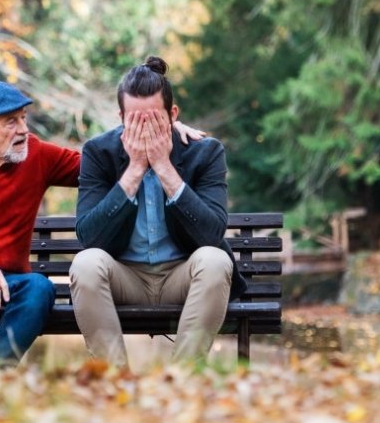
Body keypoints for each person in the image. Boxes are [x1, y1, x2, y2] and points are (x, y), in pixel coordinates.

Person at [0, 77, 204, 369]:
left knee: (40, 288)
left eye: (23, 118)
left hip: (7, 284)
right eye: (11, 122)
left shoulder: (36, 155)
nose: (23, 129)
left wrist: (159, 128)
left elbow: (102, 164)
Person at [70, 56, 247, 368]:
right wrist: (134, 169)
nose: (145, 130)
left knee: (216, 259)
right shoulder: (99, 153)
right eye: (135, 122)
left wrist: (164, 168)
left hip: (182, 274)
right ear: (120, 117)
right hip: (125, 277)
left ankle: (181, 380)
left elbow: (211, 232)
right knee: (85, 263)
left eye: (153, 120)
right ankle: (115, 382)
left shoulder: (204, 152)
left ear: (173, 114)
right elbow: (89, 236)